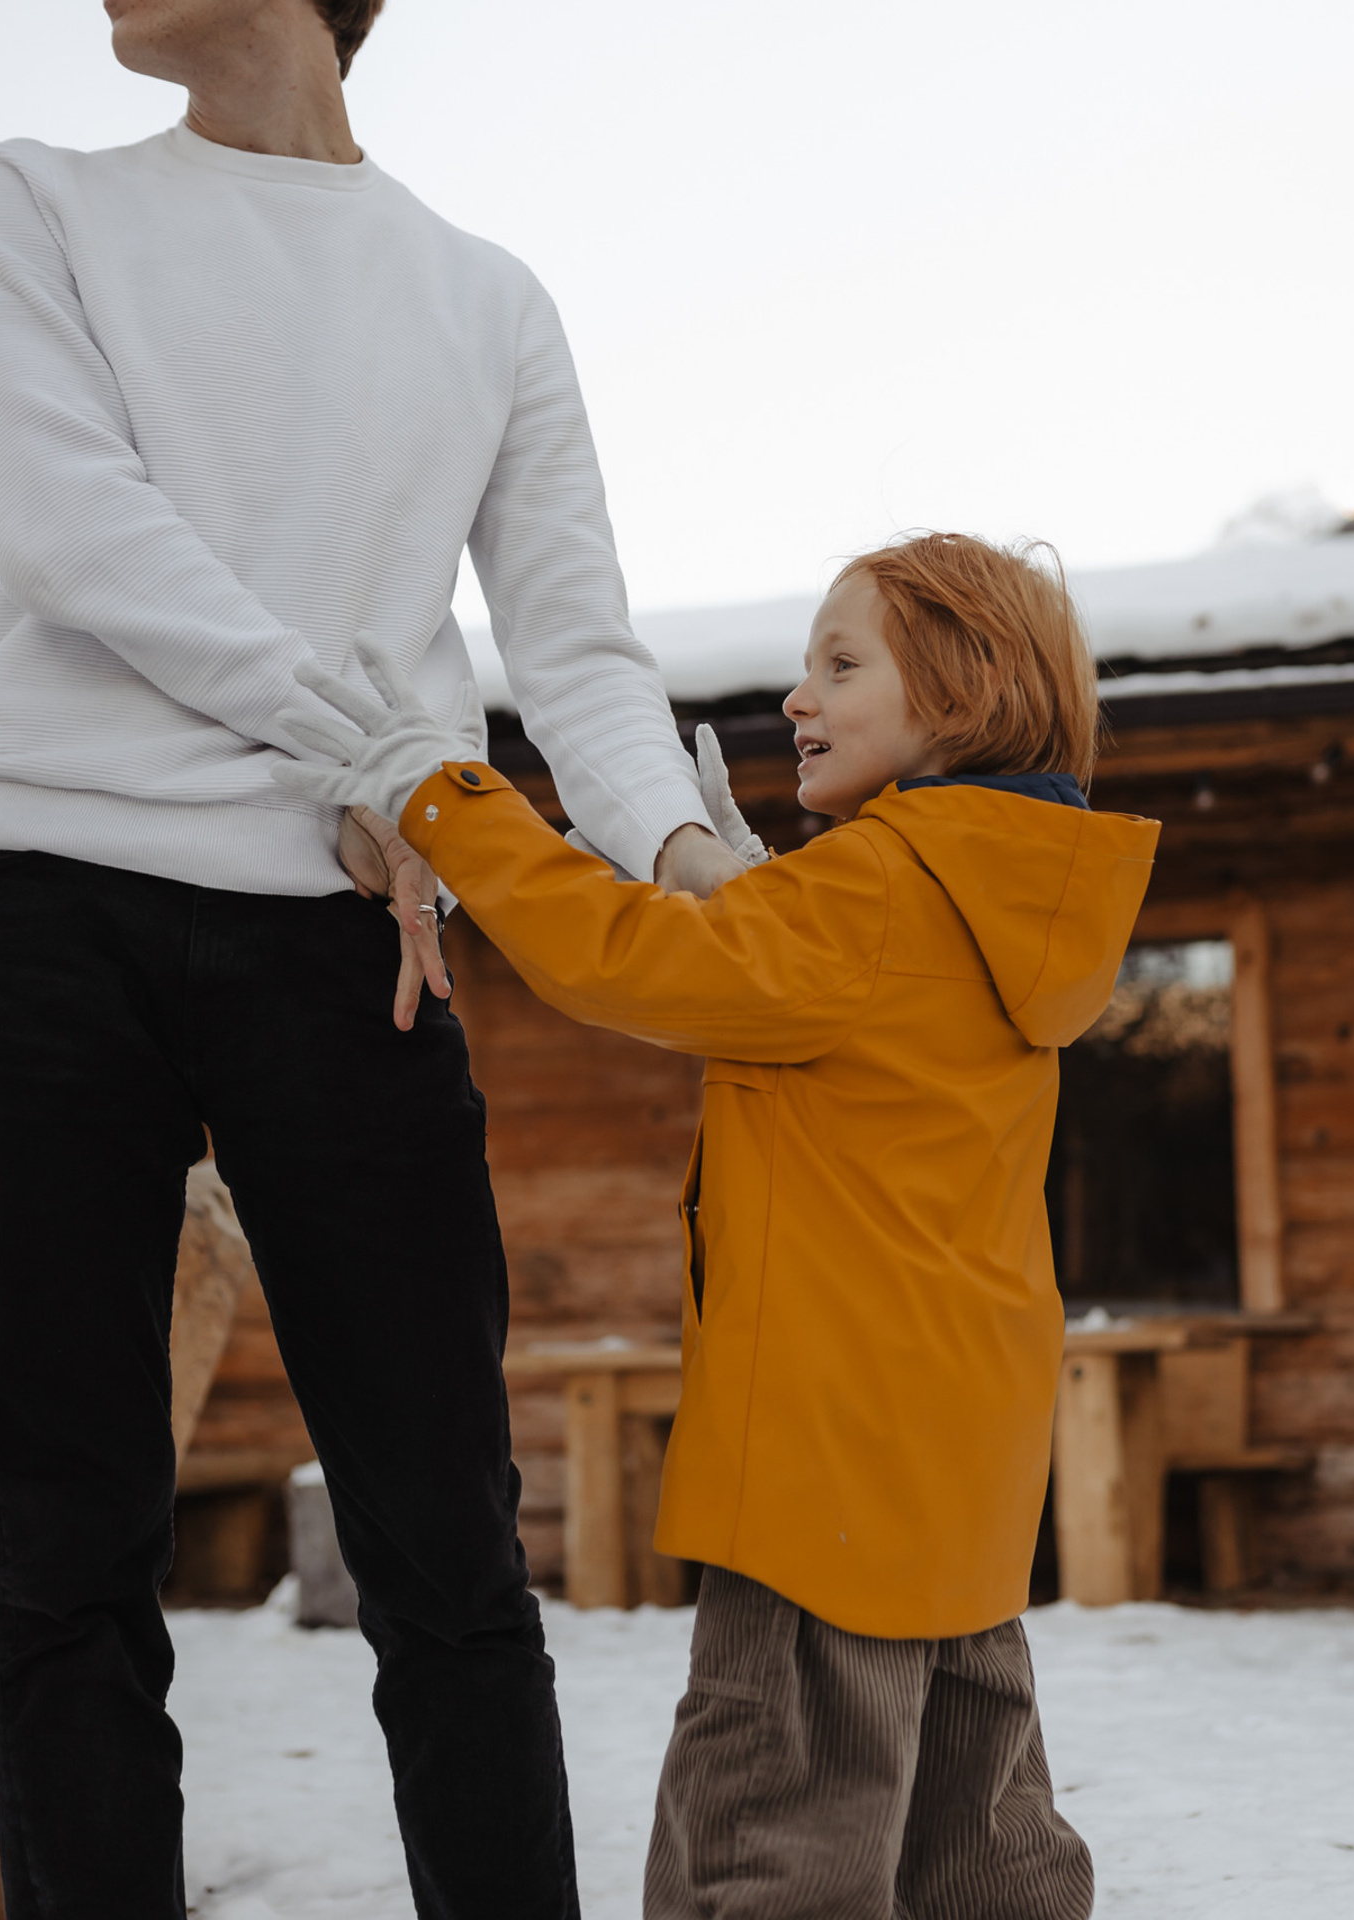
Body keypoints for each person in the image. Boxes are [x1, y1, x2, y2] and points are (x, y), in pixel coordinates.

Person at [0, 2, 742, 1913]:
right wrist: (366, 749)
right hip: (48, 909)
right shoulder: (35, 201)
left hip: (345, 942)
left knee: (449, 1546)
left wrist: (704, 863)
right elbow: (76, 538)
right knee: (64, 1553)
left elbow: (580, 651)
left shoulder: (484, 298)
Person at [278, 532, 1161, 1920]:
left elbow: (619, 957)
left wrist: (445, 793)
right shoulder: (1011, 900)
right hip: (966, 1467)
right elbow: (846, 1027)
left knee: (769, 1844)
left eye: (841, 664)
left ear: (964, 693)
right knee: (974, 1848)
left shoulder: (873, 893)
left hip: (822, 1465)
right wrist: (761, 894)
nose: (798, 697)